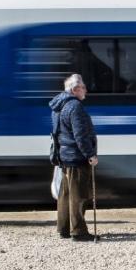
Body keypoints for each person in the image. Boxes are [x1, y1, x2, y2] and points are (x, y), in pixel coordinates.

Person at [48, 73, 99, 242]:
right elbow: (80, 136)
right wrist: (90, 155)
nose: (86, 91)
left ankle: (63, 229)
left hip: (64, 156)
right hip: (76, 157)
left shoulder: (59, 105)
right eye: (83, 87)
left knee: (65, 194)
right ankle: (78, 231)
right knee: (78, 195)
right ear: (76, 89)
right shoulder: (75, 106)